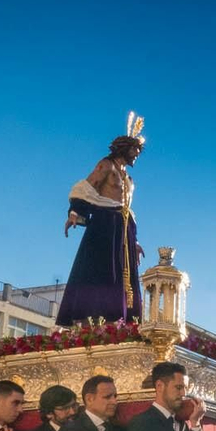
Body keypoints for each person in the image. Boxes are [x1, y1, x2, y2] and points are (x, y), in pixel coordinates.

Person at [56, 113, 146, 326]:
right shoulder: (106, 166)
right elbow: (87, 187)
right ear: (125, 148)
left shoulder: (129, 179)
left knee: (122, 277)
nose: (137, 155)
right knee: (99, 270)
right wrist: (74, 212)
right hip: (105, 224)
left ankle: (117, 321)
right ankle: (92, 319)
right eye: (134, 150)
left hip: (123, 228)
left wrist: (134, 241)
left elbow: (126, 209)